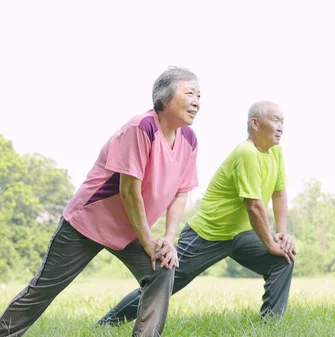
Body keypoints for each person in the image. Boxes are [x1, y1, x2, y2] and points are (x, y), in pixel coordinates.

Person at [0, 66, 201, 337]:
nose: (197, 102)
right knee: (44, 289)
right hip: (88, 223)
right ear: (165, 98)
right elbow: (129, 191)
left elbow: (181, 191)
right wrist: (148, 241)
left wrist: (167, 238)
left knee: (162, 268)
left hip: (132, 228)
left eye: (199, 95)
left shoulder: (189, 139)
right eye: (190, 93)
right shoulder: (142, 127)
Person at [97, 100, 296, 327]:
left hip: (240, 234)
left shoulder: (275, 152)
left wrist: (281, 235)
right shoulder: (247, 153)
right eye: (275, 120)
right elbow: (254, 206)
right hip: (207, 234)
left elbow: (279, 194)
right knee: (168, 282)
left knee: (282, 260)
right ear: (256, 123)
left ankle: (270, 326)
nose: (281, 127)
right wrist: (270, 243)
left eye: (283, 122)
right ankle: (108, 322)